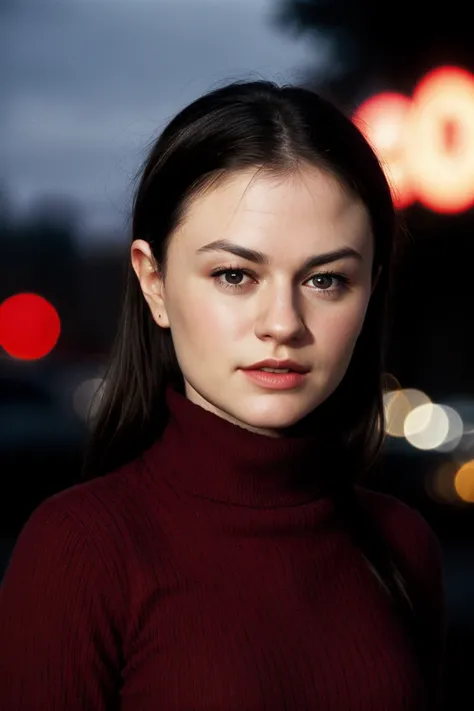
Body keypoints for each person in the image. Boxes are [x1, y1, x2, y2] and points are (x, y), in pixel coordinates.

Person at [0, 80, 446, 710]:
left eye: (326, 279)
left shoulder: (403, 546)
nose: (283, 322)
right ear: (154, 283)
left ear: (371, 290)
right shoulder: (79, 552)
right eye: (235, 275)